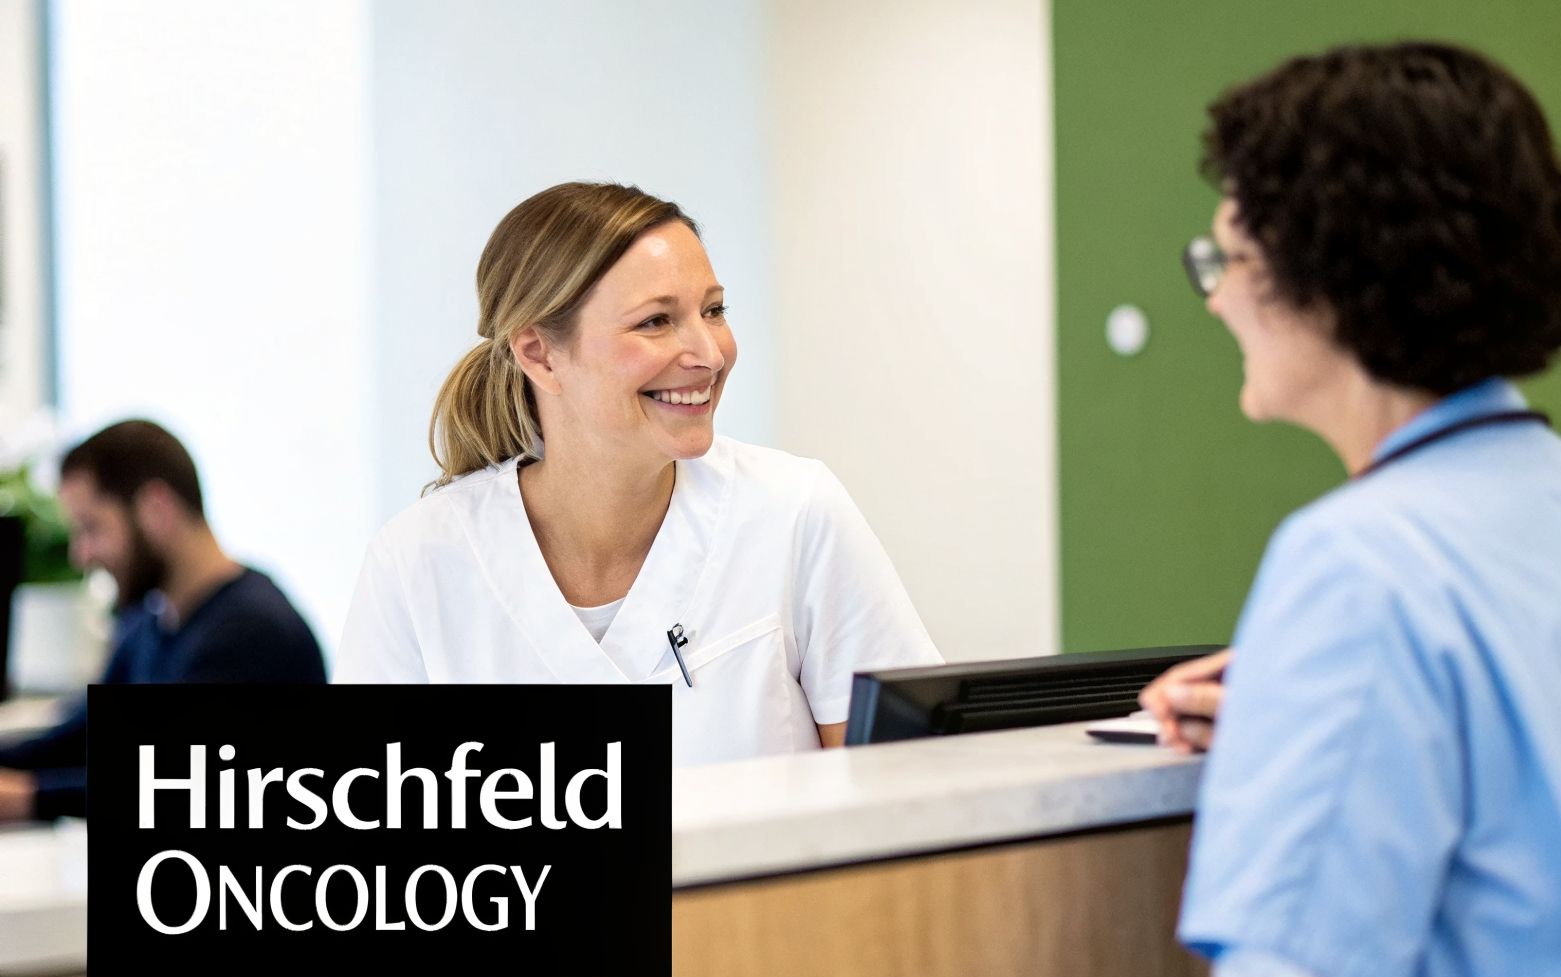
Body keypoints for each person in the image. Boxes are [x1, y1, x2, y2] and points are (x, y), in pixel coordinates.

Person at [1136, 42, 1561, 977]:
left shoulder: (1356, 565)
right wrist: (1317, 728)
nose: (1217, 296)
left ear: (1328, 274)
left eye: (1226, 257)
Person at [336, 182, 940, 766]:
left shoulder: (794, 512)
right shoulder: (416, 562)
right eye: (655, 321)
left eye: (714, 310)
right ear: (540, 354)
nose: (709, 353)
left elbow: (909, 792)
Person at [0, 420, 327, 822]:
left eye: (92, 528)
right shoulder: (150, 622)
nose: (80, 555)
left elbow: (176, 785)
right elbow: (79, 738)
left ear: (156, 508)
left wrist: (29, 797)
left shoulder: (253, 634)